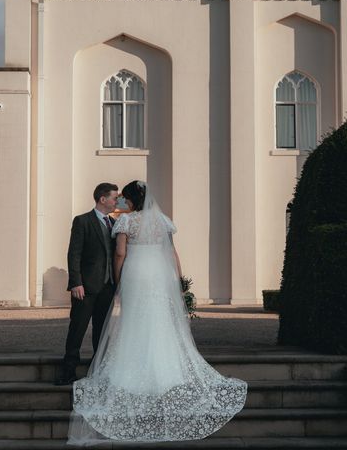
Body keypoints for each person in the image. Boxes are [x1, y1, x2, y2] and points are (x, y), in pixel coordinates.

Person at [67, 180, 248, 445]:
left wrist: (118, 282)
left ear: (132, 200)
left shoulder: (127, 223)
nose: (123, 203)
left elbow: (119, 254)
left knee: (134, 321)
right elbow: (173, 253)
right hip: (160, 276)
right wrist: (178, 280)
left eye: (125, 199)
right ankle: (168, 370)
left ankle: (128, 370)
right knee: (161, 321)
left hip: (137, 275)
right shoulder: (163, 220)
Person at [56, 182, 119, 386]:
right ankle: (68, 371)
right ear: (103, 199)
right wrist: (76, 282)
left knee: (101, 332)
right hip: (85, 287)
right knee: (77, 328)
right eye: (114, 197)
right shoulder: (82, 221)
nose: (116, 201)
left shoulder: (114, 223)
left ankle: (97, 371)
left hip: (107, 287)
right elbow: (74, 254)